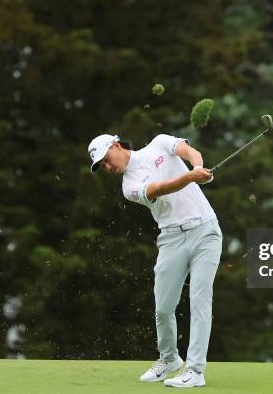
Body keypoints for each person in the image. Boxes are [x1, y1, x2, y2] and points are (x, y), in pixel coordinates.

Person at [87, 133, 222, 388]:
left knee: (200, 300)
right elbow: (159, 189)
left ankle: (195, 371)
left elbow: (187, 151)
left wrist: (196, 167)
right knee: (163, 307)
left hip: (205, 230)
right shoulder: (129, 187)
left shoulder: (159, 143)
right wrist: (189, 177)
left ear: (116, 146)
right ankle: (170, 359)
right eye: (102, 166)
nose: (107, 167)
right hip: (171, 238)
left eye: (106, 160)